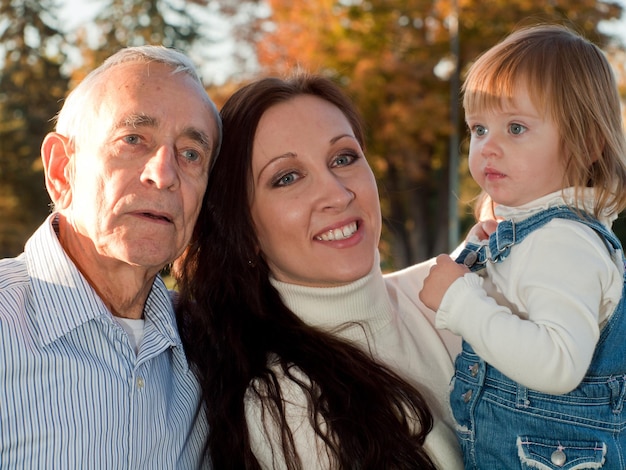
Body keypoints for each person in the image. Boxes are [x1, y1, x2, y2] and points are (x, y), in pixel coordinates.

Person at [175, 73, 464, 469]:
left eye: (343, 159)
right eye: (287, 178)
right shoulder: (287, 407)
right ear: (244, 228)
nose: (336, 194)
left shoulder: (456, 298)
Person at [0, 45, 222, 468]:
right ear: (62, 170)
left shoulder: (213, 347)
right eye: (133, 139)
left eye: (191, 153)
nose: (165, 173)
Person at [419, 24, 626, 469]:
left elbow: (557, 364)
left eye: (515, 127)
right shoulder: (538, 235)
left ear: (586, 142)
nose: (487, 147)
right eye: (478, 128)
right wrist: (474, 256)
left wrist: (461, 298)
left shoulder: (563, 242)